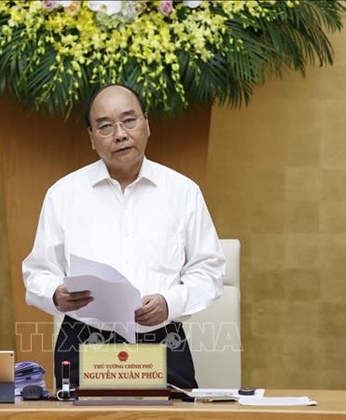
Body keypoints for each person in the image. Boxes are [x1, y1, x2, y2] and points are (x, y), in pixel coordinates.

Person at [22, 84, 226, 390]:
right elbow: (38, 271)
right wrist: (55, 293)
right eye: (105, 126)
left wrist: (169, 302)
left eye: (129, 121)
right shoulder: (63, 194)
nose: (120, 134)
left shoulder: (182, 192)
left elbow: (208, 271)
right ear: (91, 136)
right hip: (85, 341)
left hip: (162, 339)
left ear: (147, 124)